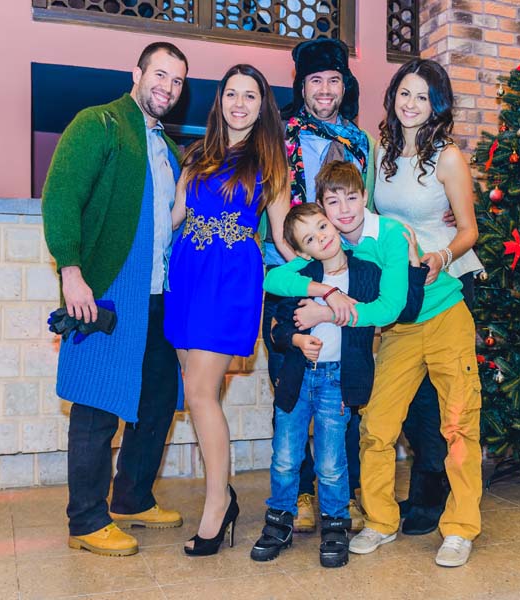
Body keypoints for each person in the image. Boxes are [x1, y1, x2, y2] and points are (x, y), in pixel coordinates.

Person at [264, 159, 482, 567]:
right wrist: (326, 291)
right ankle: (381, 521)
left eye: (351, 198)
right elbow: (275, 279)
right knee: (376, 426)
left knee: (458, 424)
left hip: (445, 318)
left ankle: (460, 528)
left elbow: (390, 307)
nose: (344, 210)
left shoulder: (392, 233)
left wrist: (327, 313)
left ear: (365, 197)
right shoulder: (333, 244)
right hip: (401, 334)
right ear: (322, 209)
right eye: (333, 202)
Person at [42, 42, 189, 557]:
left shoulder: (168, 150)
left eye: (177, 81)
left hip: (157, 297)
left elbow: (169, 223)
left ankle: (132, 498)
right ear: (137, 73)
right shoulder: (99, 124)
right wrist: (71, 272)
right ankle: (86, 520)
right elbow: (61, 196)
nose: (167, 88)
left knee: (156, 403)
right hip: (105, 293)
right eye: (160, 75)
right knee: (97, 404)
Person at [251, 170, 426, 568]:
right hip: (297, 379)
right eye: (309, 239)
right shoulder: (303, 275)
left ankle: (335, 525)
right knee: (285, 457)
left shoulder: (364, 271)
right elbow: (276, 307)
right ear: (304, 252)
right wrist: (305, 327)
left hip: (337, 380)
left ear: (334, 225)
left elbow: (402, 308)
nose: (321, 238)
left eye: (322, 227)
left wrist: (414, 264)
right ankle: (279, 522)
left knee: (332, 461)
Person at [164, 64, 293, 556]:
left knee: (200, 394)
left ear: (263, 106)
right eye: (231, 94)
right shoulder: (196, 154)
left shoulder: (271, 160)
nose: (239, 104)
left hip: (231, 281)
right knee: (198, 392)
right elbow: (174, 217)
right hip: (186, 278)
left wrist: (323, 273)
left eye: (250, 96)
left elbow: (282, 235)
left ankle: (217, 505)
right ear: (219, 101)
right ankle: (225, 495)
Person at [260, 36, 375, 534]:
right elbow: (276, 213)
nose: (325, 90)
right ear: (301, 86)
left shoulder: (359, 140)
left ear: (345, 85)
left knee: (345, 387)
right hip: (290, 271)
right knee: (290, 385)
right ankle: (301, 493)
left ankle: (341, 495)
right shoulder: (280, 136)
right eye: (315, 81)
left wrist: (346, 274)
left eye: (334, 80)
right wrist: (308, 277)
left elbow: (364, 211)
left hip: (345, 275)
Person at [373, 58, 484, 536]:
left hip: (446, 282)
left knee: (444, 403)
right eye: (405, 93)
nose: (411, 103)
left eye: (422, 96)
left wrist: (440, 255)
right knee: (405, 400)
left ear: (436, 105)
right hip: (401, 288)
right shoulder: (380, 149)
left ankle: (434, 496)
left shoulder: (448, 157)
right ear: (393, 97)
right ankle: (425, 488)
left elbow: (469, 230)